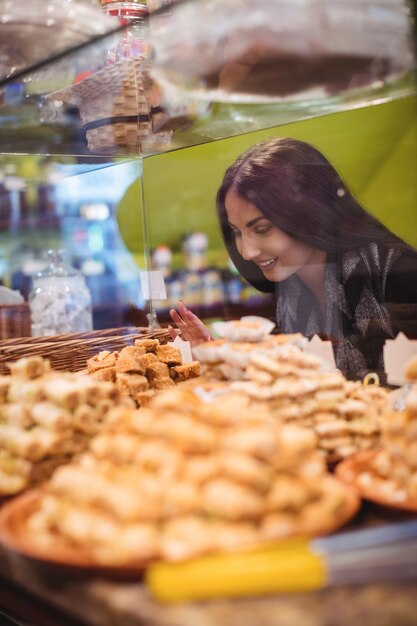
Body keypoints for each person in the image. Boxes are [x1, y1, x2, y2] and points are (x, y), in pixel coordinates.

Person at [168, 137, 417, 381]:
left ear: (311, 213)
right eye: (237, 232)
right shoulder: (291, 286)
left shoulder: (397, 273)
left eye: (262, 229)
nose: (246, 252)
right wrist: (213, 351)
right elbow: (287, 382)